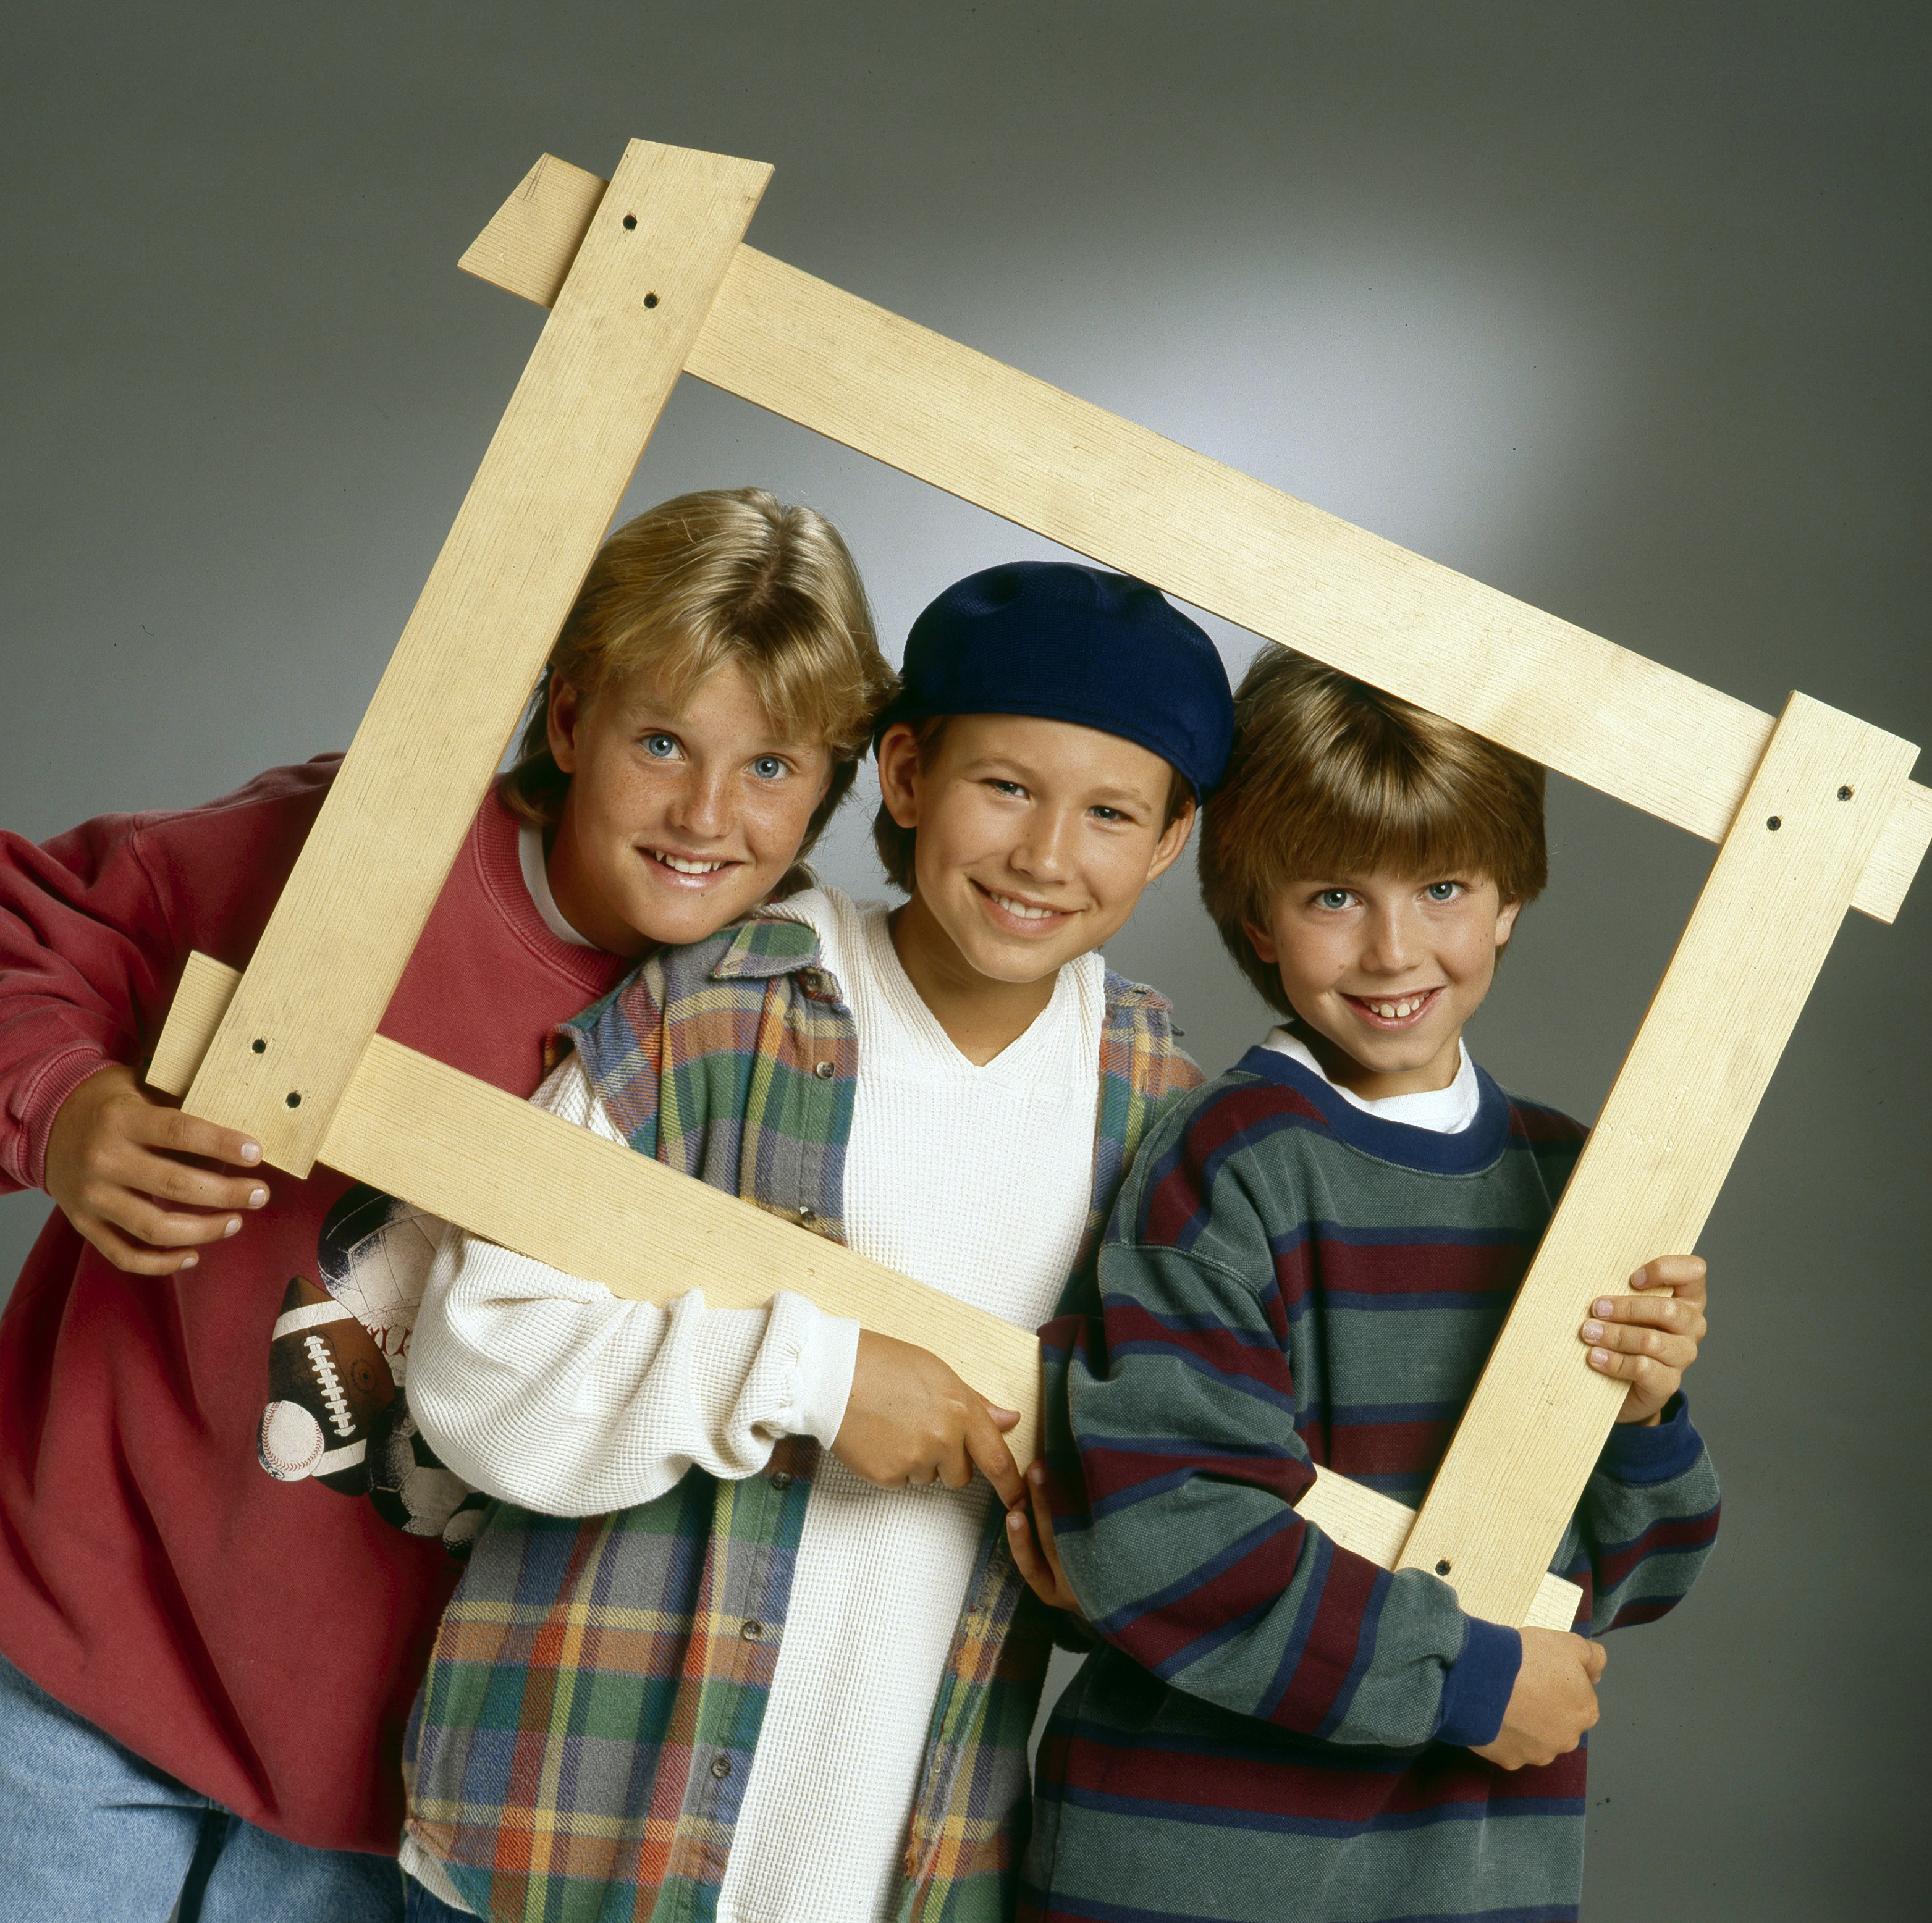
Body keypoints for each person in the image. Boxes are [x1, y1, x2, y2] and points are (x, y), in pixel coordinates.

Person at [0, 487, 892, 1922]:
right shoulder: (358, 856)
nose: (706, 816)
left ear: (835, 782)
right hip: (73, 1653)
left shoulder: (773, 1039)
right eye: (661, 742)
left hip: (401, 1784)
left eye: (772, 767)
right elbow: (37, 922)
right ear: (568, 721)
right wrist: (65, 1105)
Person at [395, 561, 1233, 1922]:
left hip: (899, 1870)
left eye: (1110, 813)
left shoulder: (1164, 1116)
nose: (1042, 854)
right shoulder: (706, 1015)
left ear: (1167, 842)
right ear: (903, 775)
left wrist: (1105, 1554)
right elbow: (481, 1369)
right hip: (570, 1837)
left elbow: (1193, 1487)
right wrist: (813, 1379)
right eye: (1004, 787)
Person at [1021, 646, 1721, 1923]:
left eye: (1443, 886)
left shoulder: (1577, 1184)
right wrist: (1463, 1683)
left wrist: (1644, 1421)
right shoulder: (1224, 1163)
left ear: (1510, 896)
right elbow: (1165, 1535)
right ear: (1256, 916)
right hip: (1192, 1872)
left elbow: (1631, 1583)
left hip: (1473, 1875)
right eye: (1335, 895)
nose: (1396, 949)